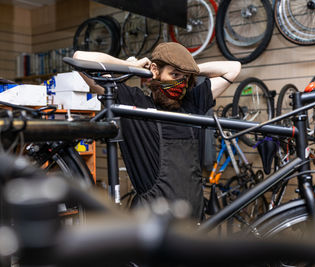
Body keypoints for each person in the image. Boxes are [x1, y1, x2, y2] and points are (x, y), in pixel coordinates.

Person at [73, 42, 241, 220]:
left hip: (194, 224)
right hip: (152, 228)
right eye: (174, 74)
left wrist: (190, 67)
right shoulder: (134, 104)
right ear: (155, 70)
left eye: (184, 78)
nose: (179, 84)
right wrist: (132, 66)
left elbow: (233, 68)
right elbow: (80, 58)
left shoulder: (192, 104)